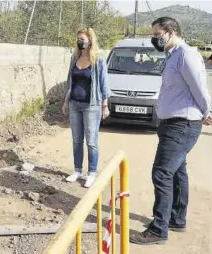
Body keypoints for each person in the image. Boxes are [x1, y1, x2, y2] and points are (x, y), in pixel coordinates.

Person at [130, 17, 211, 245]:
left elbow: (199, 87)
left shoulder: (185, 54)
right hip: (173, 124)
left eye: (157, 34)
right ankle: (176, 218)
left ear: (171, 31)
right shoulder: (173, 55)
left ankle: (158, 230)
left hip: (181, 125)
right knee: (177, 172)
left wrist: (207, 111)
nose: (154, 39)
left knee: (162, 172)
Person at [62, 28, 110, 188]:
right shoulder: (74, 57)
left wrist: (105, 105)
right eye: (78, 39)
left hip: (92, 105)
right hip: (74, 104)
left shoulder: (98, 59)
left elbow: (104, 83)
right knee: (76, 141)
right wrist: (65, 102)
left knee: (91, 142)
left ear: (90, 40)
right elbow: (70, 81)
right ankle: (77, 171)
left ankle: (91, 173)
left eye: (82, 39)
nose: (79, 42)